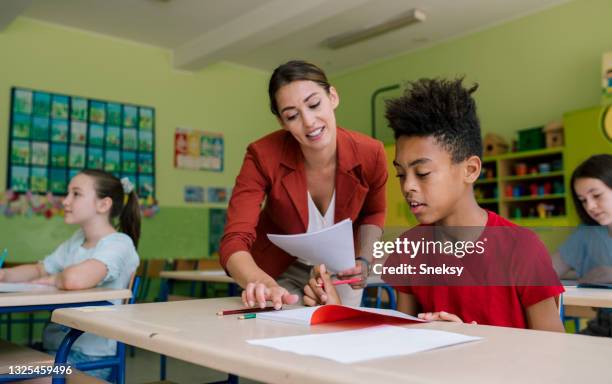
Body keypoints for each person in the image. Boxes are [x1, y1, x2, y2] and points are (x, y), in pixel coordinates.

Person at [304, 77, 564, 332]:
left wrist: (475, 340)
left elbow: (554, 354)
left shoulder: (522, 250)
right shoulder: (410, 250)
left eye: (423, 173)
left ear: (470, 170)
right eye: (401, 174)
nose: (408, 187)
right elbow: (401, 338)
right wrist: (334, 310)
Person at [220, 60, 388, 309]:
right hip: (277, 270)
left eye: (314, 104)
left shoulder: (370, 153)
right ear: (281, 122)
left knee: (342, 338)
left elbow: (374, 211)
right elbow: (234, 238)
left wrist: (364, 259)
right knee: (276, 336)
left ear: (332, 97)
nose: (309, 121)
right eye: (292, 115)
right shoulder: (262, 155)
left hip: (341, 272)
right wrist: (258, 281)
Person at [0, 169, 141, 380]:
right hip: (56, 350)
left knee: (10, 372)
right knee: (6, 363)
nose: (65, 201)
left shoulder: (119, 244)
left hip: (87, 358)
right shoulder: (77, 240)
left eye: (76, 194)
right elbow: (41, 268)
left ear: (103, 204)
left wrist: (54, 280)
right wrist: (4, 275)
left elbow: (74, 279)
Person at [552, 154, 612, 336]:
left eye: (596, 195)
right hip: (604, 326)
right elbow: (545, 272)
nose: (591, 206)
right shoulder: (588, 233)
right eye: (583, 200)